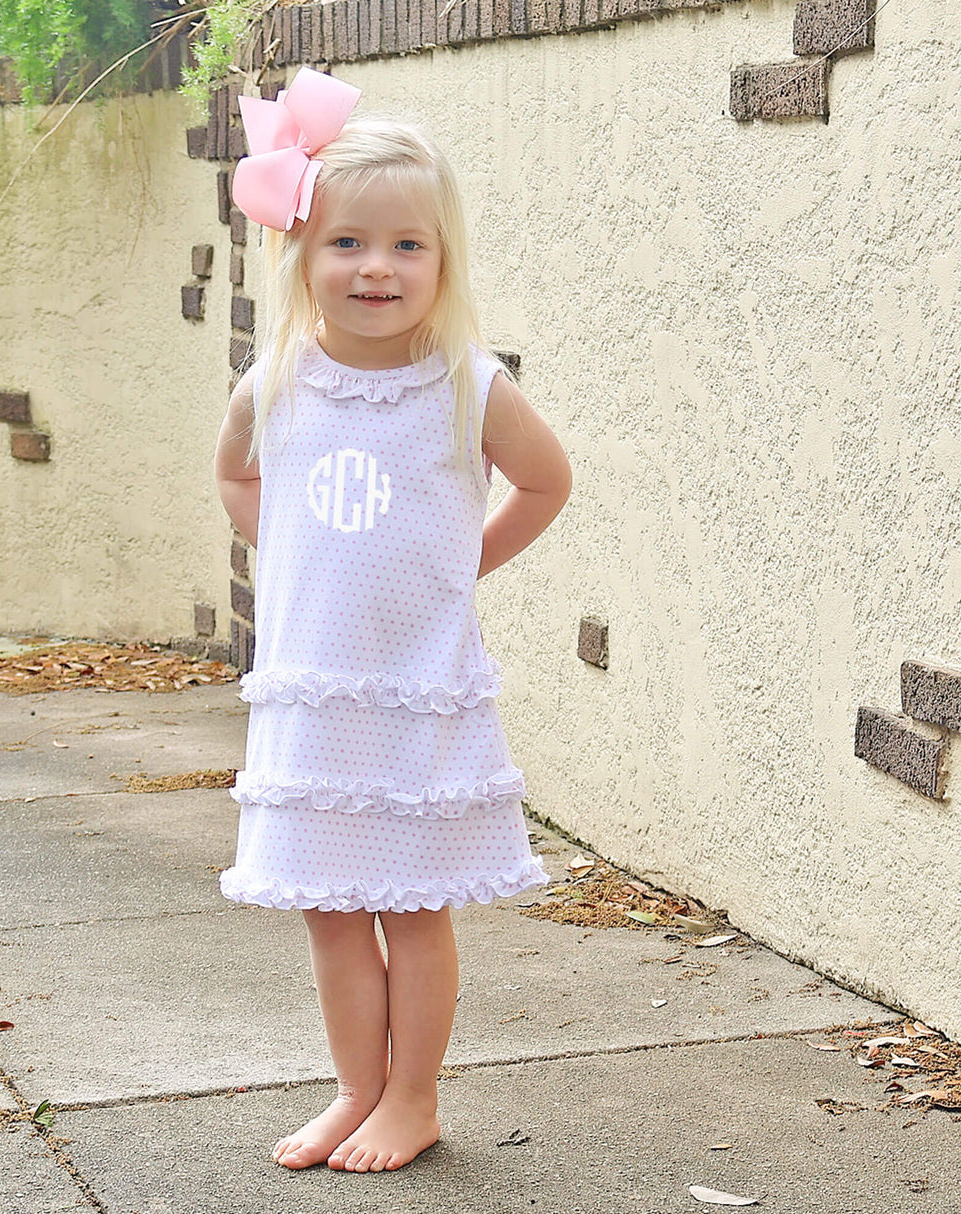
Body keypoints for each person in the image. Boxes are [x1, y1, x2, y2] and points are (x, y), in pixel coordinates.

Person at [214, 68, 572, 1174]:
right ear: (300, 255)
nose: (376, 267)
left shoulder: (463, 383)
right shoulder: (275, 381)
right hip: (313, 690)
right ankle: (354, 1091)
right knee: (328, 907)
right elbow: (235, 477)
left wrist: (453, 571)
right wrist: (295, 560)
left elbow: (546, 481)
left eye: (406, 246)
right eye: (348, 244)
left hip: (417, 687)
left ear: (441, 260)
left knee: (412, 905)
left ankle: (411, 1096)